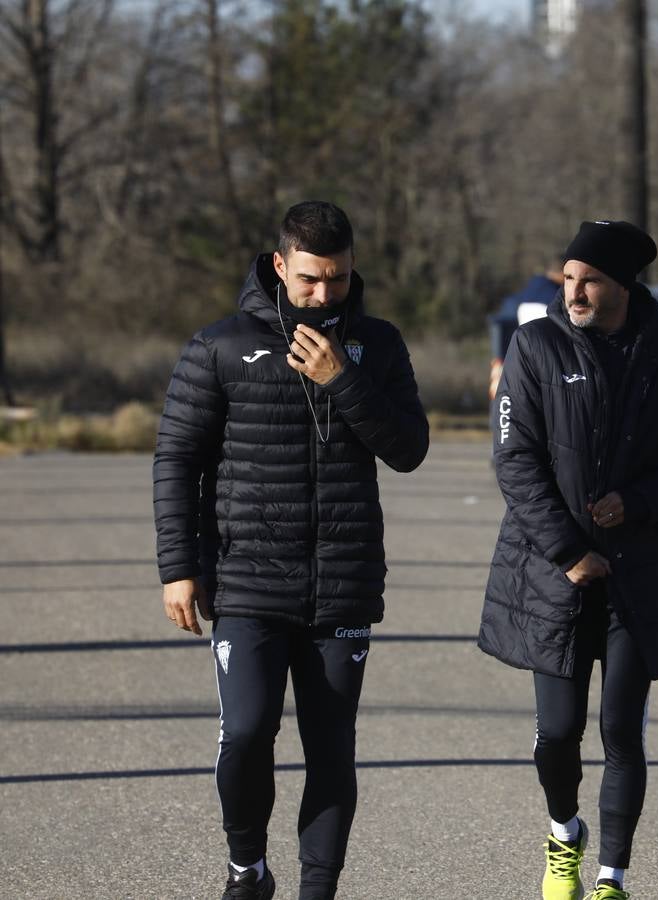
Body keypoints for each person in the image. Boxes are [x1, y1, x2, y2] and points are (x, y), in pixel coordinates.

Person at [153, 201, 429, 900]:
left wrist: (344, 379)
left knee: (331, 750)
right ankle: (247, 866)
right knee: (246, 735)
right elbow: (177, 459)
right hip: (246, 580)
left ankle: (317, 890)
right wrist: (178, 568)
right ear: (280, 265)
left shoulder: (378, 345)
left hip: (341, 582)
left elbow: (409, 450)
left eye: (336, 279)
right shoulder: (221, 345)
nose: (323, 294)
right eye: (309, 278)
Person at [478, 220, 658, 900]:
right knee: (557, 733)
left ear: (624, 285)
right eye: (569, 278)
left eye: (590, 280)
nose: (575, 291)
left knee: (621, 728)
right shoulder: (536, 344)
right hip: (550, 574)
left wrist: (642, 501)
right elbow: (513, 457)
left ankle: (612, 877)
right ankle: (564, 836)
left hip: (635, 574)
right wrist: (568, 550)